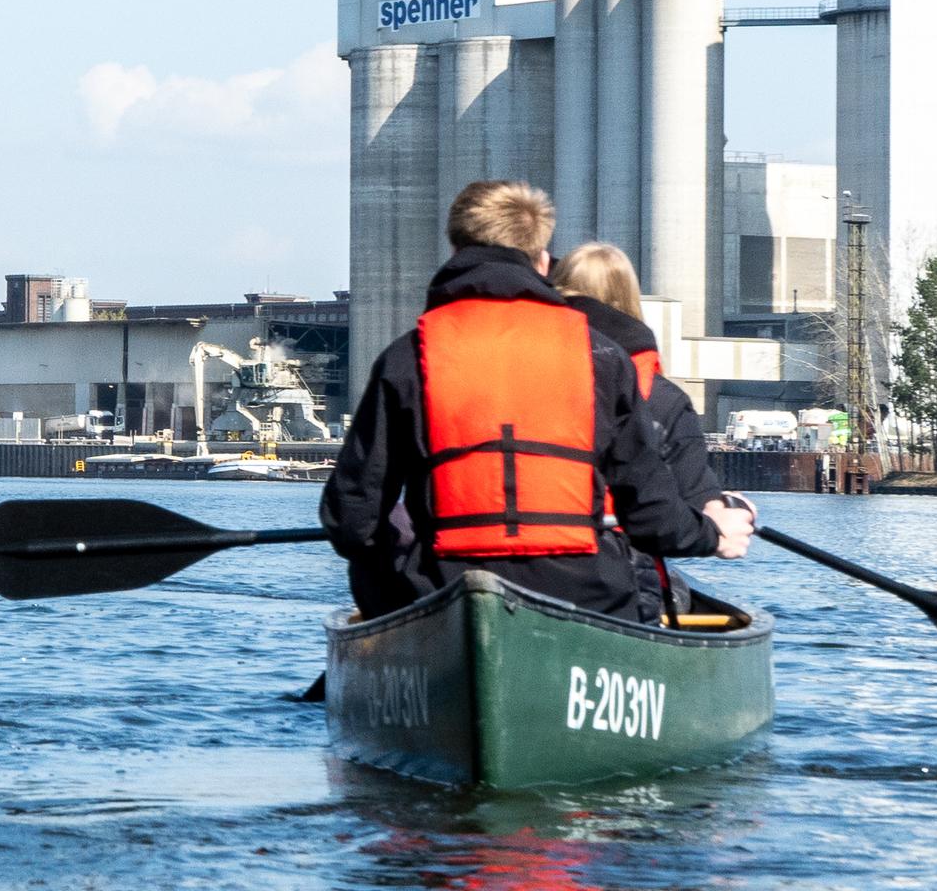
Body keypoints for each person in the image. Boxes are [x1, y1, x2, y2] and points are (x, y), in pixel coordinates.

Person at [317, 180, 752, 624]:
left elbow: (350, 518)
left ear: (454, 251)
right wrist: (713, 535)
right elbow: (652, 518)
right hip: (590, 597)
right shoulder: (602, 358)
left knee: (370, 562)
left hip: (446, 591)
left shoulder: (407, 358)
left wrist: (403, 556)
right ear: (542, 260)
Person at [552, 241, 729, 623]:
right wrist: (725, 518)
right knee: (674, 592)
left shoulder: (529, 374)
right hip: (626, 574)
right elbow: (698, 500)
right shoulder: (665, 399)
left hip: (534, 560)